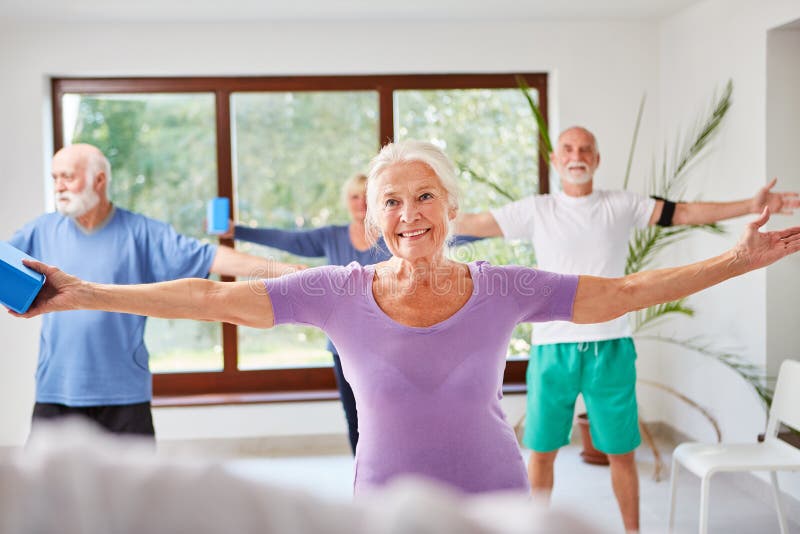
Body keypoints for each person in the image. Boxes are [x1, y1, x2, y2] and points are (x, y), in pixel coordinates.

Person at [10, 140, 800, 498]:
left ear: (452, 209)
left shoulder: (504, 285)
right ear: (374, 214)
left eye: (425, 197)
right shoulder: (337, 290)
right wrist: (82, 292)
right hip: (384, 504)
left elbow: (619, 293)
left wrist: (737, 259)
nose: (409, 213)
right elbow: (211, 296)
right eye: (393, 200)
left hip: (494, 498)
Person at [455, 127, 800, 531]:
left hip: (611, 347)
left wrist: (750, 205)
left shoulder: (620, 205)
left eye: (585, 149)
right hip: (553, 350)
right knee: (542, 452)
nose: (576, 155)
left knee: (620, 453)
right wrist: (414, 215)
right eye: (568, 149)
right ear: (555, 160)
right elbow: (475, 222)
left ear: (597, 159)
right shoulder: (537, 209)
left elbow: (684, 213)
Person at [6, 143, 301, 439]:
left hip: (124, 393)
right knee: (45, 486)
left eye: (67, 177)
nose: (59, 186)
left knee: (134, 486)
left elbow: (211, 257)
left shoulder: (141, 232)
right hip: (57, 390)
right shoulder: (41, 230)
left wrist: (289, 272)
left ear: (99, 180)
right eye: (54, 178)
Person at [226, 173, 479, 454]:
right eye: (353, 197)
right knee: (356, 418)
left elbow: (450, 231)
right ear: (346, 202)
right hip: (343, 346)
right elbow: (288, 239)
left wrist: (501, 225)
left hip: (394, 344)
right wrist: (237, 231)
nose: (360, 203)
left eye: (365, 196)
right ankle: (365, 482)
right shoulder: (331, 236)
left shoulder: (398, 234)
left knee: (399, 416)